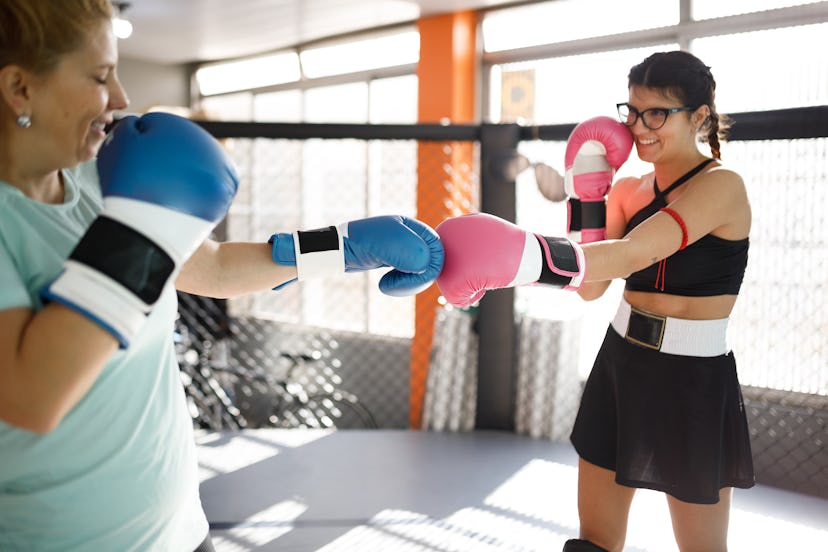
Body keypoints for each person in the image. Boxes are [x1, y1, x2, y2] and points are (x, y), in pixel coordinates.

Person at [0, 2, 443, 551]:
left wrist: (343, 249)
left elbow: (211, 266)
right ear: (20, 88)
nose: (120, 98)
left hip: (182, 530)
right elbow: (31, 396)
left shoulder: (93, 179)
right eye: (99, 76)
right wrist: (145, 223)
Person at [435, 50, 754, 552]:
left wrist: (520, 257)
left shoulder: (722, 187)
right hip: (622, 362)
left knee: (703, 549)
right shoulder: (627, 190)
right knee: (596, 541)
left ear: (699, 117)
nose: (639, 126)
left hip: (693, 376)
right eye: (631, 110)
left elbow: (632, 253)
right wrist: (585, 197)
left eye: (656, 113)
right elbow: (589, 287)